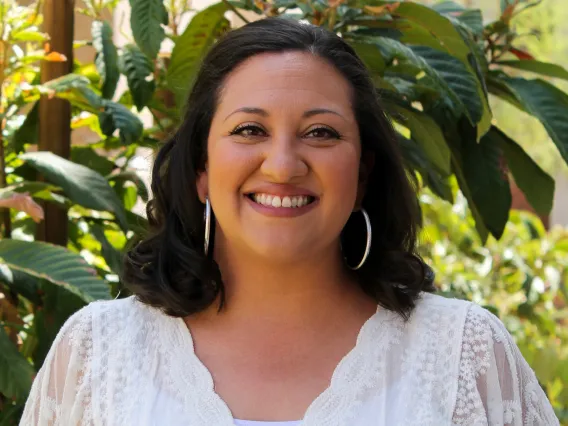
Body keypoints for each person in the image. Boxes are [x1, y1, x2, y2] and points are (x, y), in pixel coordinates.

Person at [20, 18, 558, 426]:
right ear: (201, 170)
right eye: (250, 130)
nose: (282, 165)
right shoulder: (98, 351)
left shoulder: (465, 352)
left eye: (321, 133)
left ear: (363, 174)